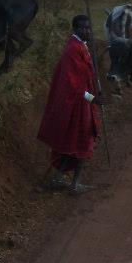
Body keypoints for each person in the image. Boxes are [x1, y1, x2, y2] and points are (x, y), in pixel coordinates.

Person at [37, 15, 103, 194]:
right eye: (83, 28)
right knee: (83, 142)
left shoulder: (81, 46)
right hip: (76, 105)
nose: (86, 31)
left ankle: (59, 178)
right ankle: (74, 184)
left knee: (73, 143)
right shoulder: (73, 50)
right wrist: (93, 98)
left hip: (81, 104)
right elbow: (74, 86)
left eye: (88, 28)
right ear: (75, 29)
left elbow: (85, 77)